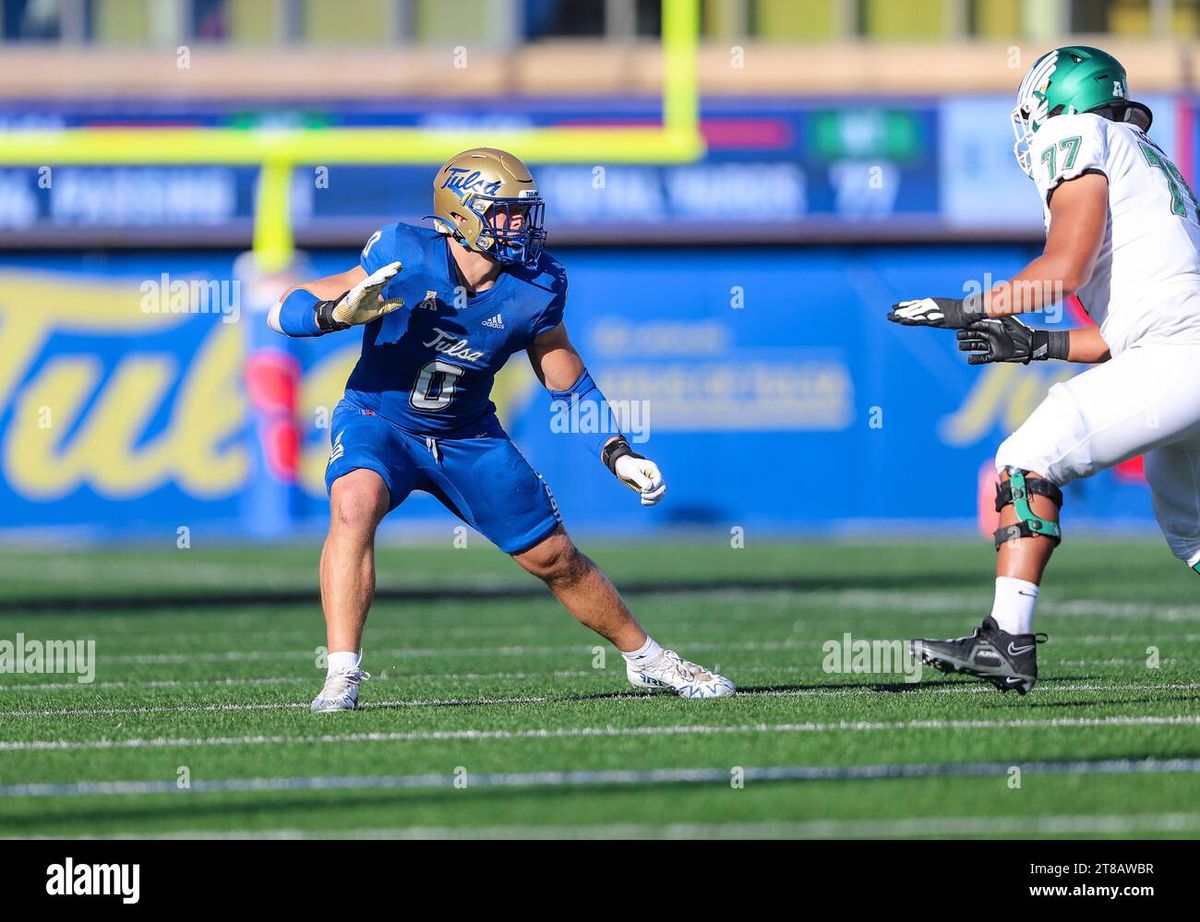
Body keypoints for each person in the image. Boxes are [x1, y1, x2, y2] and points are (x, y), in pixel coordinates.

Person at [269, 147, 735, 711]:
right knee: (354, 503)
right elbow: (284, 308)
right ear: (462, 214)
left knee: (555, 559)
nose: (521, 225)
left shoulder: (535, 285)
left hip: (467, 434)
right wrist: (335, 314)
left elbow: (566, 377)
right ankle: (341, 674)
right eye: (507, 212)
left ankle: (648, 659)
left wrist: (617, 451)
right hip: (379, 418)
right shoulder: (403, 252)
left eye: (523, 212)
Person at [888, 47, 1200, 694]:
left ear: (1053, 100)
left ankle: (1006, 640)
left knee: (1028, 454)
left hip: (1180, 355)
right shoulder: (1149, 162)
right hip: (1178, 354)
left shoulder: (1077, 133)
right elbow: (1131, 335)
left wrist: (966, 307)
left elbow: (1065, 269)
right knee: (1192, 530)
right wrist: (1038, 346)